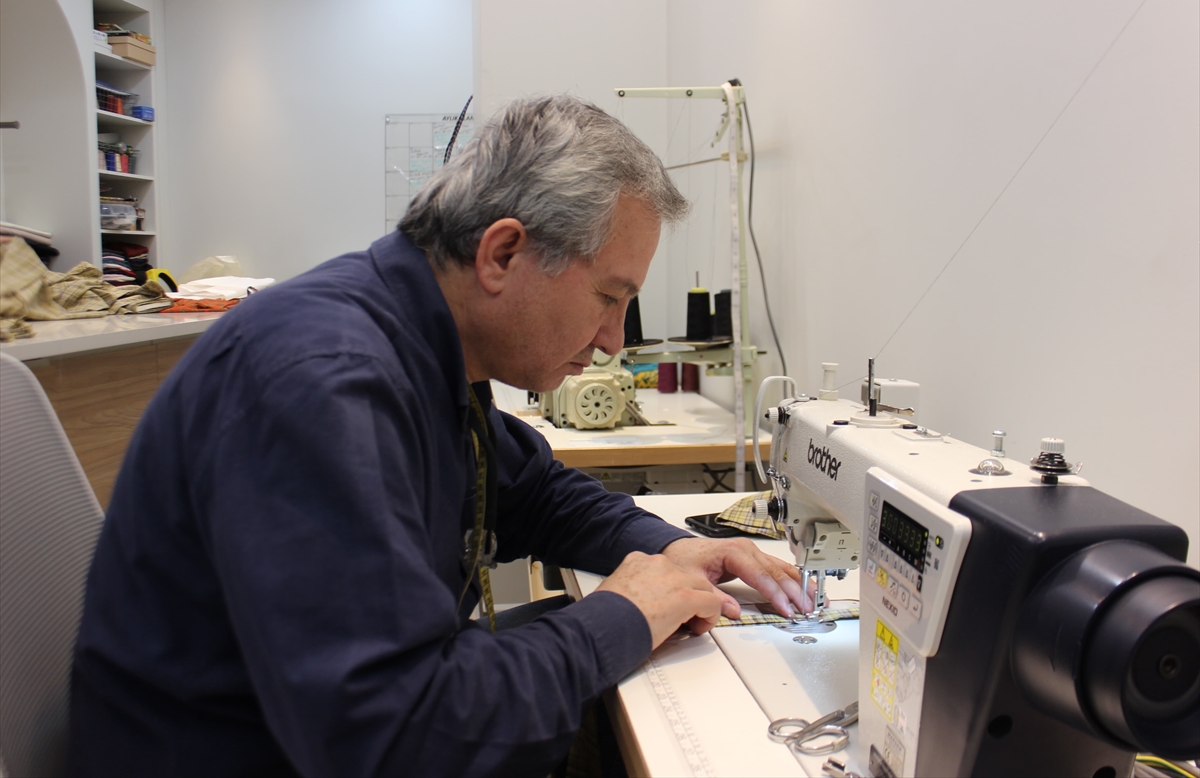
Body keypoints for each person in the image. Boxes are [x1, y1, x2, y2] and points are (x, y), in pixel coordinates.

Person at [68, 95, 811, 777]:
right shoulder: (323, 382)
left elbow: (535, 493)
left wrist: (671, 549)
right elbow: (391, 736)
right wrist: (624, 614)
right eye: (609, 298)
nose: (615, 340)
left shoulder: (426, 349)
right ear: (502, 254)